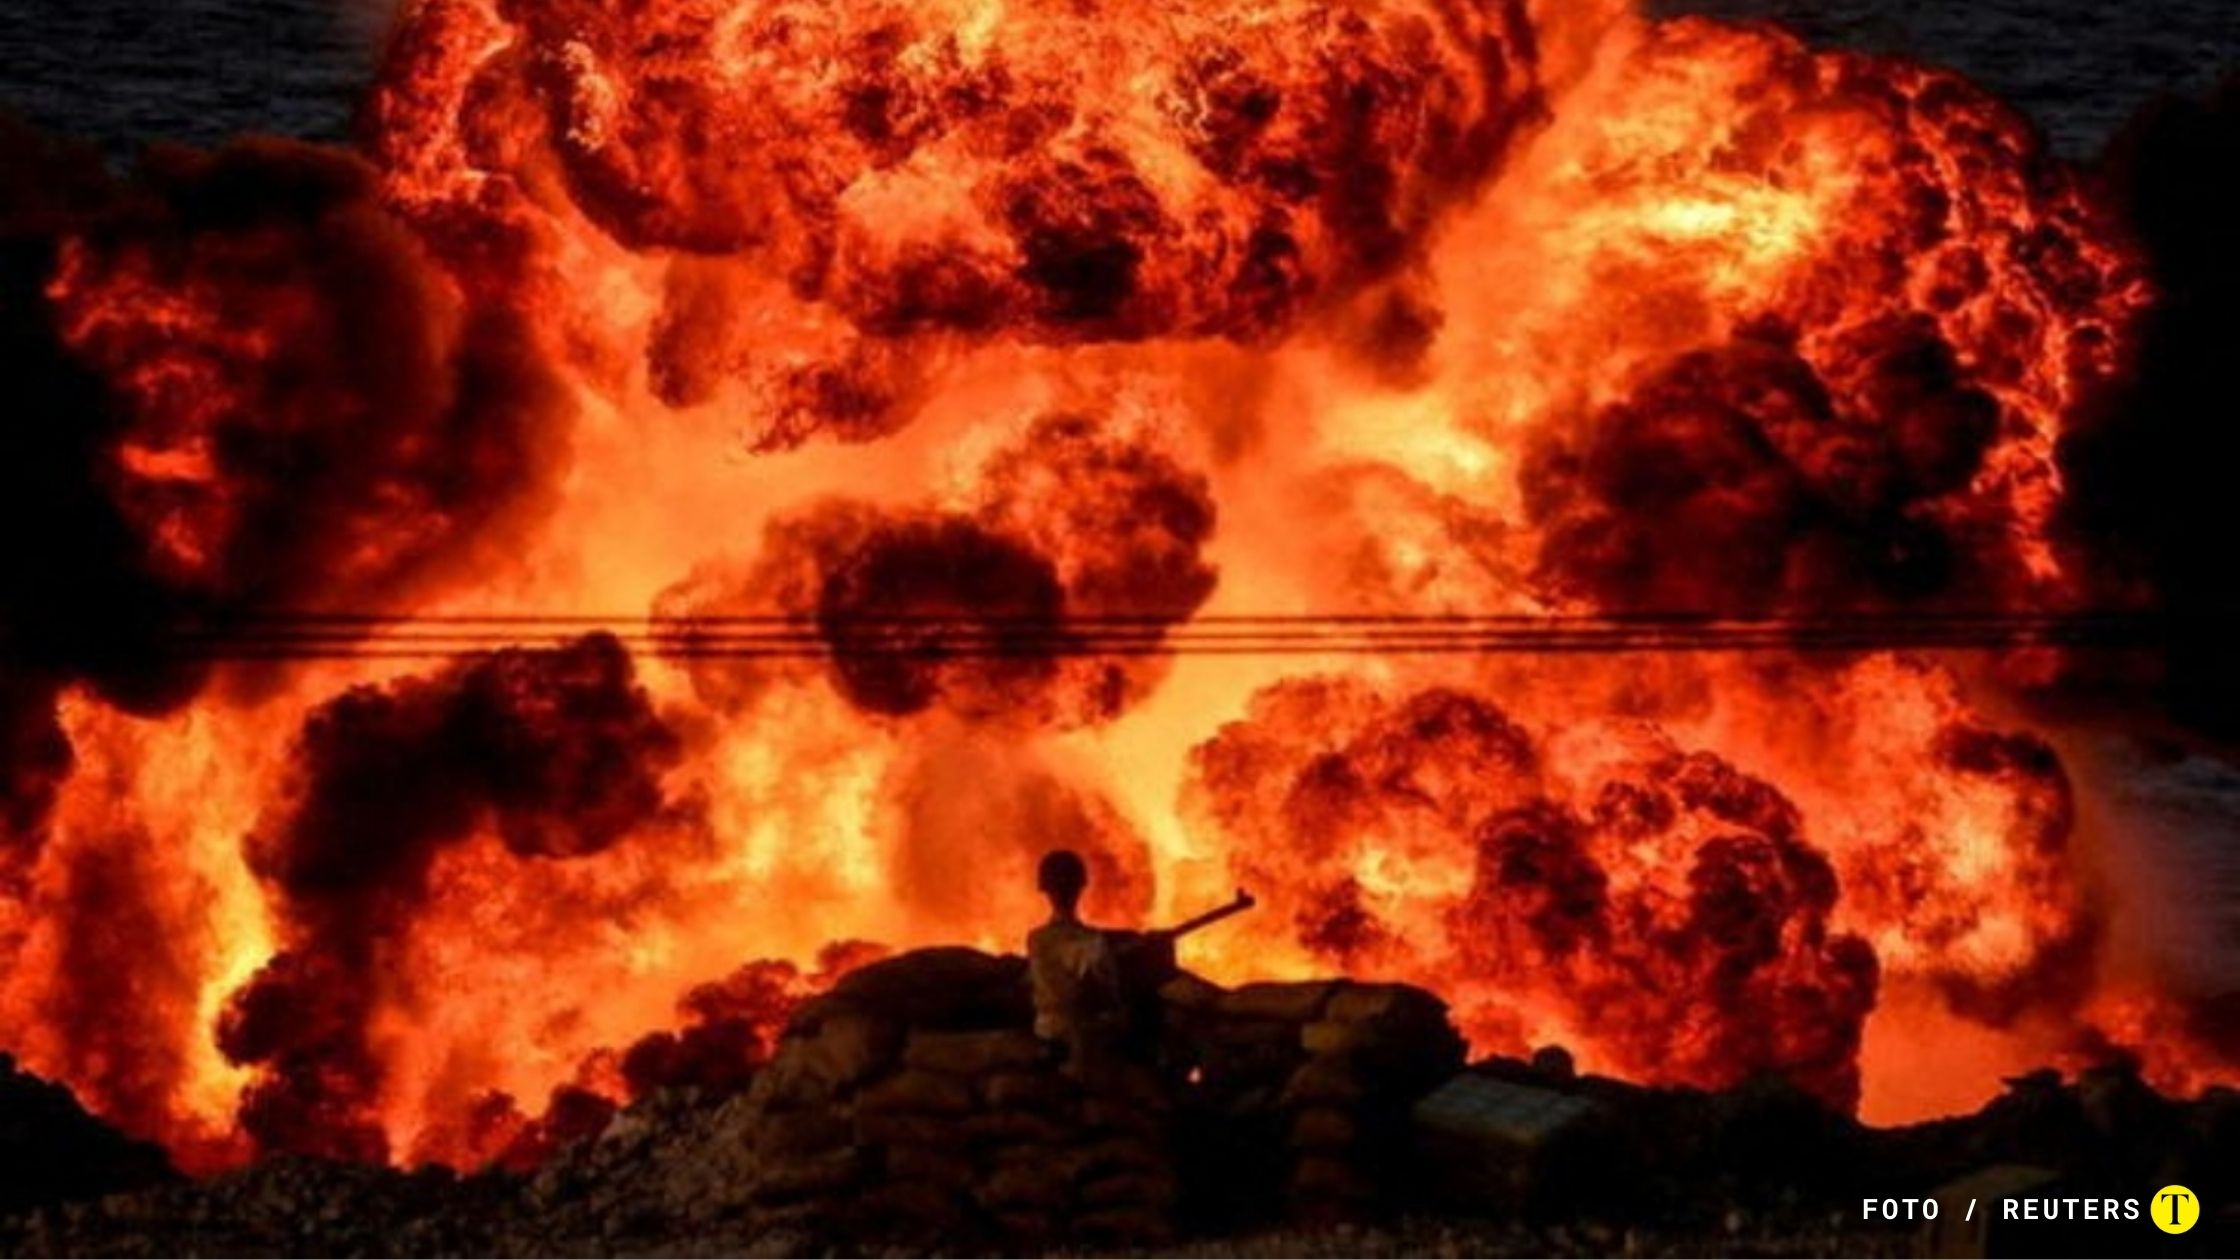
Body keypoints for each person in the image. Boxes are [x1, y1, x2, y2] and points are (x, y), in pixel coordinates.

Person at [1026, 848, 1126, 1082]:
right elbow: (1108, 990)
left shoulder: (1037, 940)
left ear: (1045, 891)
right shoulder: (1093, 941)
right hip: (1079, 1034)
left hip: (1049, 1030)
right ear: (1080, 888)